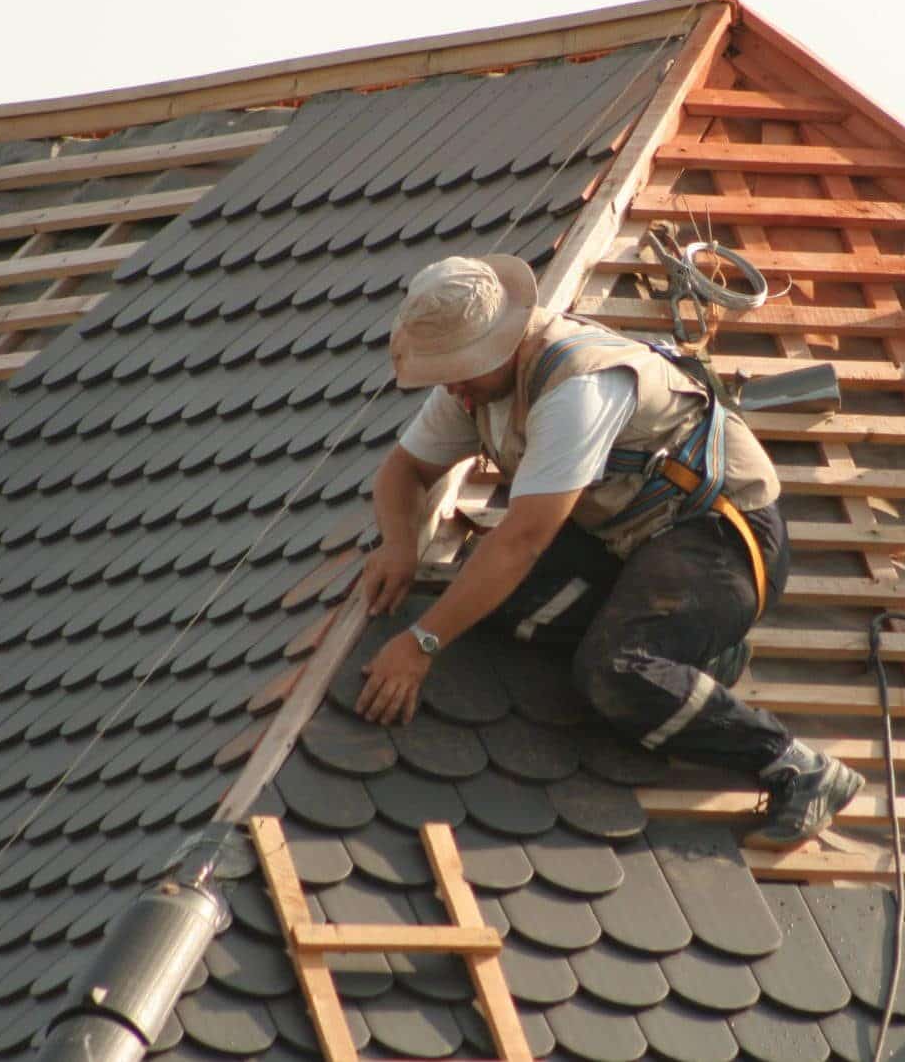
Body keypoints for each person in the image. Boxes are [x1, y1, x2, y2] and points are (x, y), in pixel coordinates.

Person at [353, 253, 861, 848]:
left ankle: (798, 767)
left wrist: (423, 643)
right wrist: (397, 544)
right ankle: (695, 653)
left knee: (614, 670)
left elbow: (522, 538)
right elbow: (403, 470)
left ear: (499, 343)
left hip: (720, 535)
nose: (452, 384)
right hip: (622, 534)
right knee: (489, 601)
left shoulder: (577, 388)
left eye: (459, 368)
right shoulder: (475, 388)